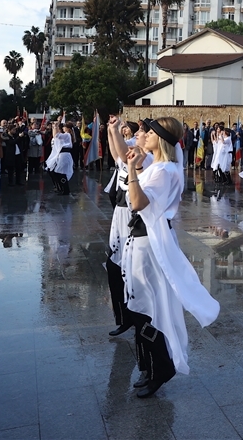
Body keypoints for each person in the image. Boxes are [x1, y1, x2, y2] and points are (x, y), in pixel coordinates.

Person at [121, 116, 220, 397]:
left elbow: (138, 202)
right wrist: (137, 163)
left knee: (149, 308)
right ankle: (151, 367)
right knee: (143, 306)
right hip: (144, 239)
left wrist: (131, 170)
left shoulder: (163, 171)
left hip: (149, 243)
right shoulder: (165, 167)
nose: (144, 134)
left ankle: (161, 368)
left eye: (149, 131)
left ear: (161, 137)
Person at [105, 117, 152, 338]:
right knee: (115, 266)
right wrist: (112, 130)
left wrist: (115, 131)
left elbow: (122, 154)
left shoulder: (148, 159)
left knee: (126, 270)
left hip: (131, 216)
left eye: (143, 132)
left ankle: (133, 317)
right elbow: (118, 154)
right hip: (121, 211)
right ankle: (125, 317)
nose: (137, 134)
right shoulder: (136, 154)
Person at [45, 123, 74, 195]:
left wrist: (55, 127)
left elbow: (56, 135)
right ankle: (61, 188)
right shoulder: (66, 135)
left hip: (64, 155)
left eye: (64, 127)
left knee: (61, 172)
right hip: (61, 155)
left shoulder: (67, 135)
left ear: (68, 128)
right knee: (56, 171)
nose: (63, 128)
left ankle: (65, 189)